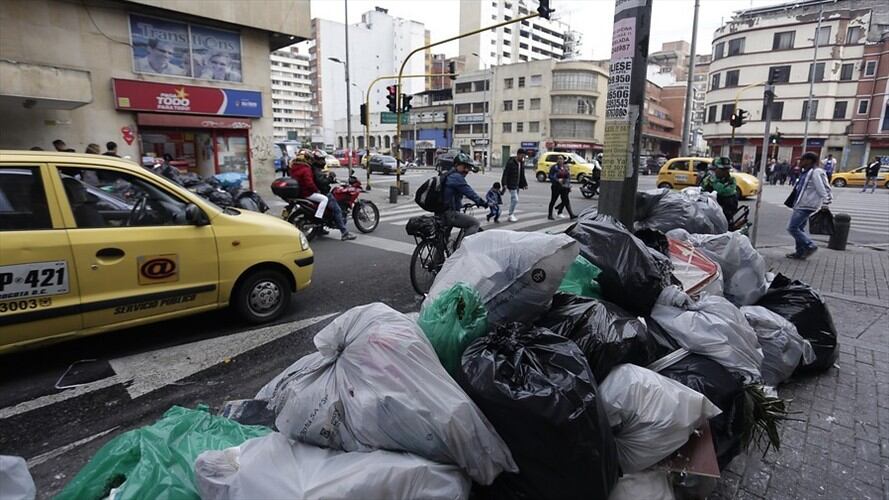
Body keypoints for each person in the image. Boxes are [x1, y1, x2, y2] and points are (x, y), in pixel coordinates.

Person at [291, 150, 355, 241]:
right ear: (315, 160)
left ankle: (320, 229)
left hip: (306, 192)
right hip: (321, 192)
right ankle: (344, 233)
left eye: (324, 159)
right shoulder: (314, 169)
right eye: (321, 159)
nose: (323, 161)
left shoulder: (309, 168)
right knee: (337, 210)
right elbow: (320, 182)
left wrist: (328, 178)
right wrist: (329, 178)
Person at [786, 152, 832, 260]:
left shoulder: (815, 172)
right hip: (801, 203)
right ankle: (800, 252)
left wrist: (826, 202)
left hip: (806, 204)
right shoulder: (806, 172)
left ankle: (810, 245)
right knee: (799, 228)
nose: (800, 162)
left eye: (802, 160)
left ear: (809, 161)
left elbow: (822, 188)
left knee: (792, 228)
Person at [442, 153, 486, 244]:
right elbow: (469, 192)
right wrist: (481, 202)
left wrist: (460, 205)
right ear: (456, 165)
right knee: (475, 223)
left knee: (443, 240)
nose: (466, 170)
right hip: (449, 214)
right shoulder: (456, 177)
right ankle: (462, 250)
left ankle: (438, 257)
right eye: (464, 167)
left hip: (440, 212)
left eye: (468, 167)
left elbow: (450, 195)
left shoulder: (447, 175)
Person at [701, 157, 739, 223]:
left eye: (727, 169)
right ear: (715, 169)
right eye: (722, 169)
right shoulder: (708, 179)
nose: (726, 171)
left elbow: (724, 191)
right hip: (708, 214)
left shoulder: (731, 180)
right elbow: (701, 191)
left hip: (725, 214)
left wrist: (714, 182)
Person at [500, 148, 528, 222]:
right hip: (511, 184)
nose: (523, 157)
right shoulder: (511, 162)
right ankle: (510, 214)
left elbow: (522, 174)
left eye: (524, 156)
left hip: (517, 184)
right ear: (518, 154)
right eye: (522, 156)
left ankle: (511, 214)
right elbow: (505, 174)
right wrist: (504, 184)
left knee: (514, 200)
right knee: (515, 199)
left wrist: (525, 184)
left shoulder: (521, 163)